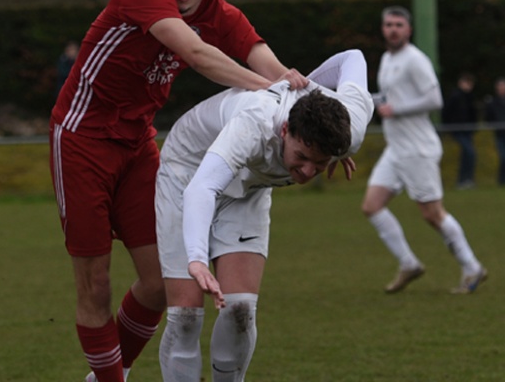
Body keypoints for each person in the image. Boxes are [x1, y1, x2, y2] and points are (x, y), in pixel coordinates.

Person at [49, 0, 307, 382]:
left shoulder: (218, 13)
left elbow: (264, 57)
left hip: (137, 146)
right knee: (96, 284)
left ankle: (109, 375)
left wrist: (304, 105)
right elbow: (196, 53)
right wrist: (272, 90)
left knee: (159, 283)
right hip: (81, 141)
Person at [156, 49, 373, 382]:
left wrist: (308, 95)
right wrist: (197, 258)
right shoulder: (254, 122)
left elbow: (352, 58)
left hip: (248, 188)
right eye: (302, 156)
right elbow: (202, 188)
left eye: (321, 162)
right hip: (188, 172)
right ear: (285, 129)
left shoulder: (349, 127)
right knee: (186, 315)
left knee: (240, 309)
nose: (307, 171)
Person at [362, 6, 488, 295]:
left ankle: (472, 267)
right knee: (371, 206)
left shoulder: (415, 60)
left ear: (408, 30)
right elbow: (391, 97)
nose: (393, 29)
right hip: (396, 148)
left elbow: (435, 99)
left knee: (432, 214)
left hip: (418, 148)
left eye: (398, 25)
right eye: (388, 24)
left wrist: (397, 109)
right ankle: (409, 263)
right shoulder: (386, 58)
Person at [441, 72, 478, 188]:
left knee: (467, 154)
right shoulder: (455, 96)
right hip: (457, 130)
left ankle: (466, 180)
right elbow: (446, 112)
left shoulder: (470, 97)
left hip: (467, 131)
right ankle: (464, 180)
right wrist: (449, 127)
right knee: (470, 153)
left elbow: (474, 113)